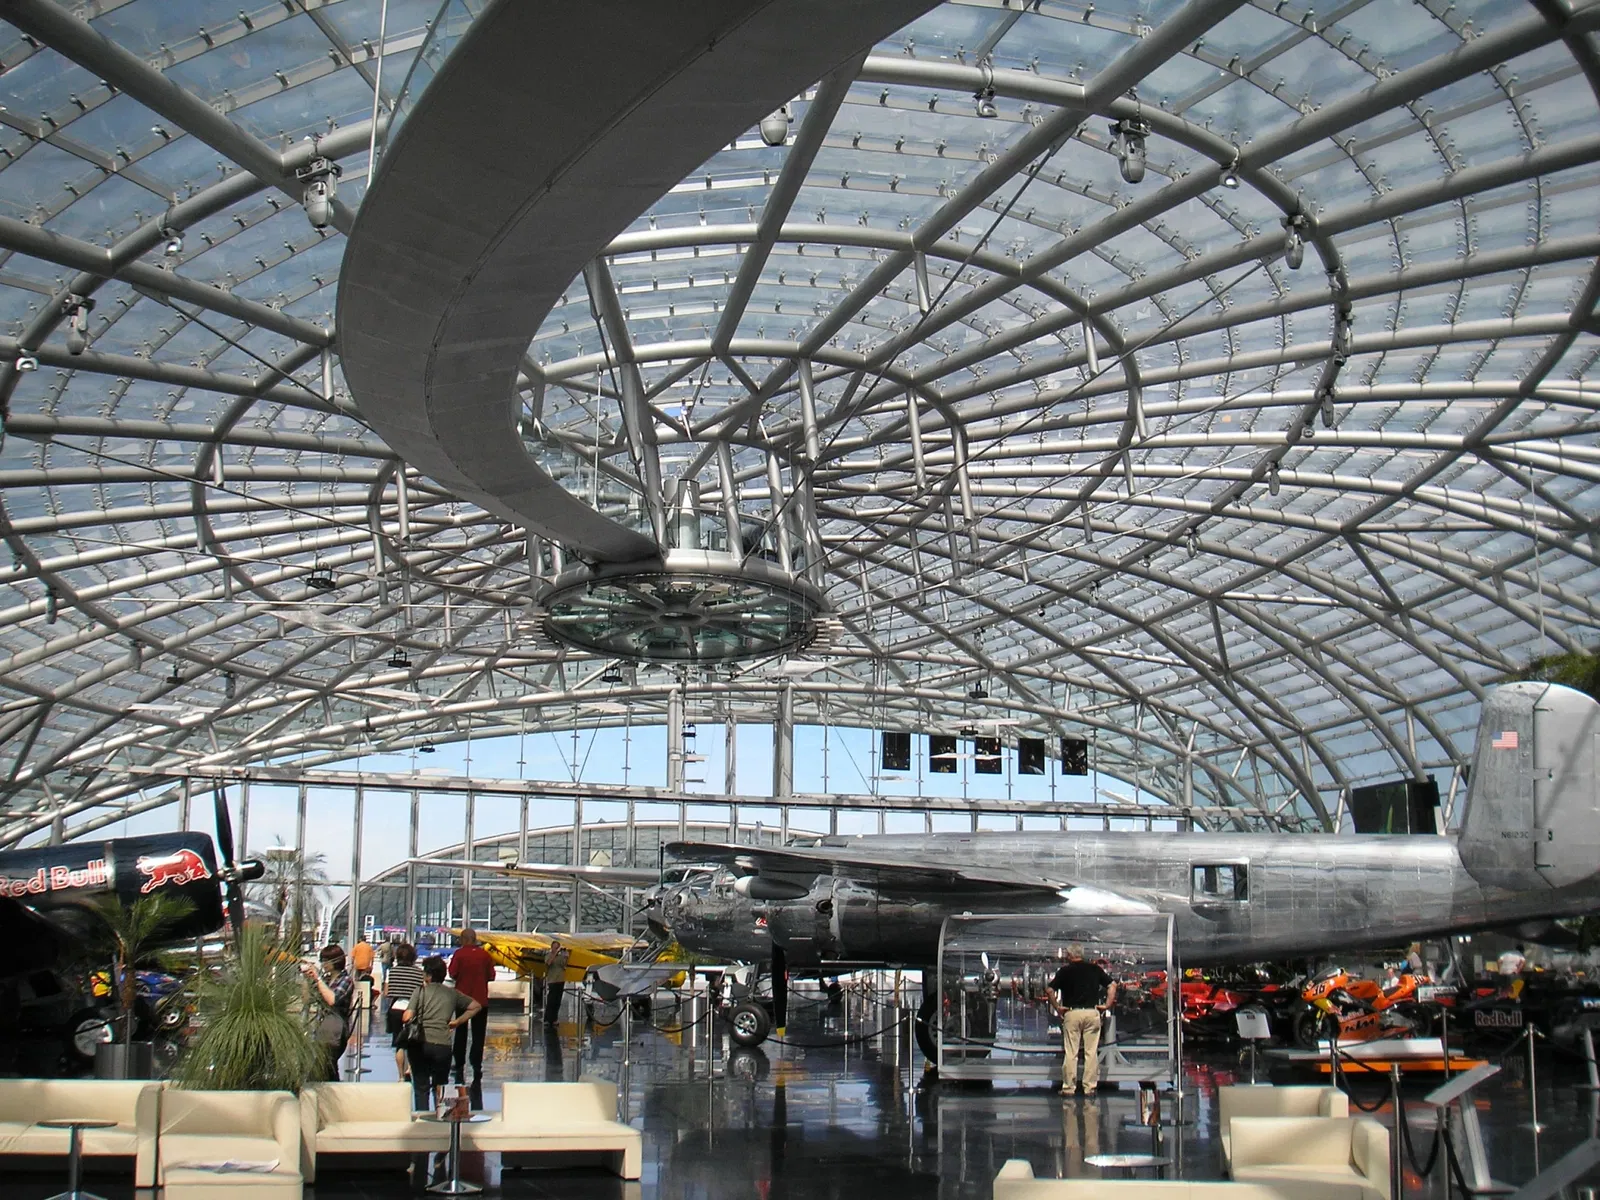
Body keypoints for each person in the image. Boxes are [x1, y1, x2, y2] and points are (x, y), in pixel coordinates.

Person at [401, 956, 481, 1112]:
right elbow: (476, 1006)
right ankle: (441, 1116)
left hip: (420, 1043)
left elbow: (407, 1016)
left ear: (428, 975)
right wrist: (457, 1021)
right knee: (441, 1086)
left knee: (421, 1087)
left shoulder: (420, 991)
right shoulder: (452, 993)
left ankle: (423, 1118)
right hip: (443, 1045)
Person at [1045, 943, 1116, 1095]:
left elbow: (1050, 990)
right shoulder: (1095, 969)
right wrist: (1107, 1005)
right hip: (1091, 1012)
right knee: (1091, 1052)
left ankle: (1069, 1087)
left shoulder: (1064, 971)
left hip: (1072, 1013)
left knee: (1071, 1052)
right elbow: (1112, 985)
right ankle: (1089, 1087)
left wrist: (1057, 1007)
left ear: (1070, 955)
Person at [448, 928, 495, 1088]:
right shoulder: (485, 955)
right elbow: (491, 975)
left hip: (462, 1000)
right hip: (481, 1001)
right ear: (475, 939)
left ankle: (459, 1063)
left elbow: (452, 973)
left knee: (460, 1032)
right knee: (478, 1035)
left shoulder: (459, 954)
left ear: (463, 939)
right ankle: (476, 1064)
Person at [303, 944, 355, 1082]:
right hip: (323, 1028)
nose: (323, 964)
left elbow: (333, 999)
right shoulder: (326, 980)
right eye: (322, 960)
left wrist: (318, 979)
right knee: (327, 1068)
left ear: (335, 961)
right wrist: (308, 980)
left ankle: (333, 1092)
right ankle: (335, 1091)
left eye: (326, 960)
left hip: (336, 1030)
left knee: (326, 1065)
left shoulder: (346, 980)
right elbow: (307, 999)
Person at [384, 942, 426, 1081]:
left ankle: (401, 1075)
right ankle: (410, 1069)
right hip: (413, 1009)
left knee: (399, 1044)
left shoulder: (392, 971)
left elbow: (387, 992)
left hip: (396, 1009)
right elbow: (422, 992)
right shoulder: (419, 972)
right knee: (413, 1042)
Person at [543, 938, 571, 1025]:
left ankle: (554, 1018)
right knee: (551, 1000)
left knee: (557, 1001)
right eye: (555, 947)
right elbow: (548, 963)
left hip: (560, 979)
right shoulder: (548, 955)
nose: (556, 949)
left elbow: (564, 965)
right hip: (552, 980)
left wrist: (566, 957)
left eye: (557, 947)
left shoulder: (560, 957)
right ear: (552, 947)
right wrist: (555, 953)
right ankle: (547, 1019)